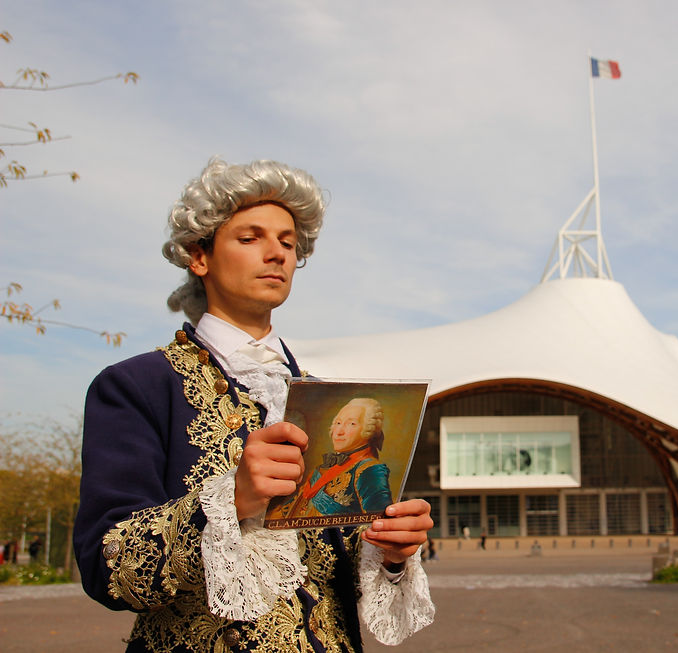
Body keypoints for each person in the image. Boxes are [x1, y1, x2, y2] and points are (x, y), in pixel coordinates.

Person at [73, 158, 435, 653]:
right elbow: (105, 564)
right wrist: (232, 500)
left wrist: (391, 549)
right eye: (250, 238)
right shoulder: (137, 386)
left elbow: (333, 567)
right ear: (198, 256)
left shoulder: (327, 399)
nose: (277, 254)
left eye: (288, 243)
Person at [287, 398, 393, 518]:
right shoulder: (324, 468)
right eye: (338, 423)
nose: (339, 432)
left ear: (368, 430)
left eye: (351, 424)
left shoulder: (370, 470)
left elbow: (379, 524)